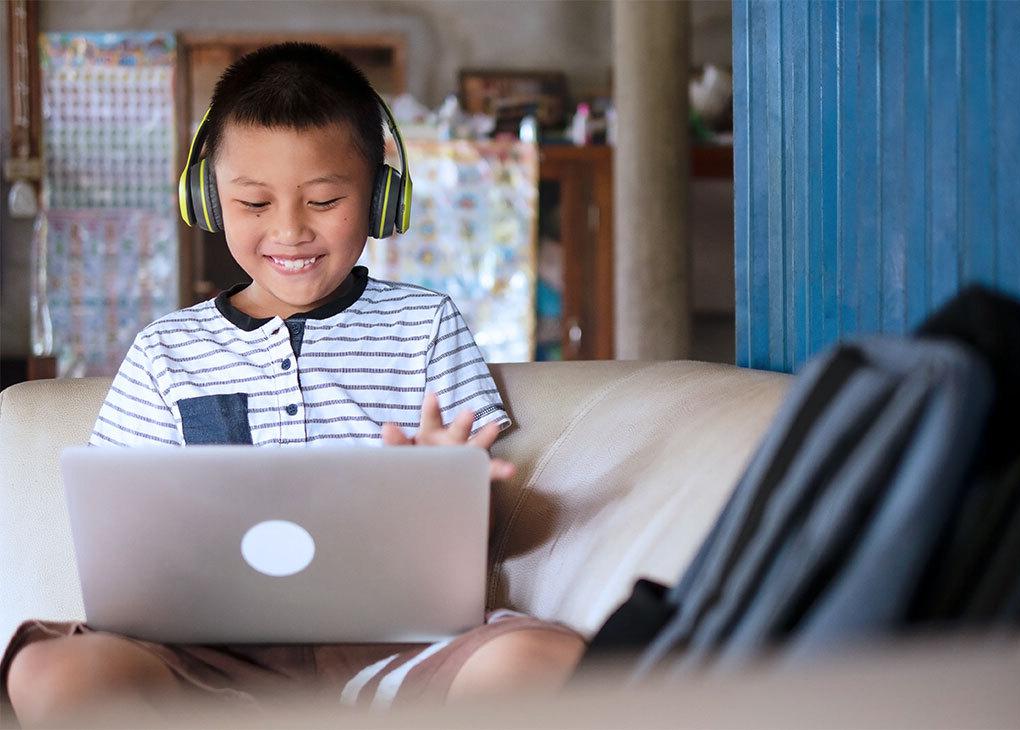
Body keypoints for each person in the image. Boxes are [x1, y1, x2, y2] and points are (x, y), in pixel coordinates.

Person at [0, 43, 584, 726]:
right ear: (207, 199)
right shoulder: (167, 349)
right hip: (198, 654)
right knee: (48, 669)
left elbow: (516, 523)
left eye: (325, 199)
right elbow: (115, 537)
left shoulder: (426, 325)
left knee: (545, 658)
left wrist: (459, 485)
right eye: (253, 202)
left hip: (401, 645)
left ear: (381, 197)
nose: (289, 230)